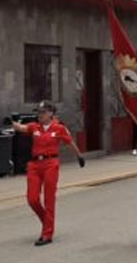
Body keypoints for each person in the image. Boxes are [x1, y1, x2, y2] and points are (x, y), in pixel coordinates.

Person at [12, 101, 84, 246]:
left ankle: (47, 234)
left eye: (43, 112)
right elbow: (22, 128)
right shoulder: (34, 127)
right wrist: (13, 122)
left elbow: (70, 142)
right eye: (38, 112)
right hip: (34, 165)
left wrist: (79, 156)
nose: (40, 115)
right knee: (32, 199)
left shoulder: (59, 128)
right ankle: (47, 221)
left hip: (50, 164)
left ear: (51, 113)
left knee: (49, 199)